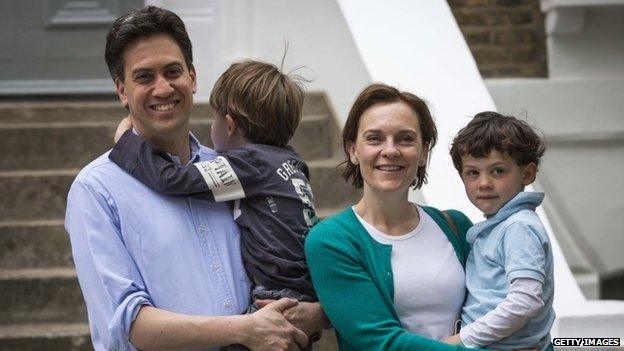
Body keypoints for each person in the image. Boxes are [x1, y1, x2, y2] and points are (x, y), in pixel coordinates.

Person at [65, 6, 323, 351]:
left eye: (173, 71)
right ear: (122, 90)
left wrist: (319, 313)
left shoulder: (233, 171)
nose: (162, 88)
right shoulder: (96, 190)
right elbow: (129, 323)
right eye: (143, 77)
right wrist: (245, 330)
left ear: (193, 76)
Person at [108, 59, 322, 348]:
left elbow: (173, 180)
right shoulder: (292, 161)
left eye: (214, 119)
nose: (212, 127)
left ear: (230, 124)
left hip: (272, 298)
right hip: (302, 290)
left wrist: (127, 143)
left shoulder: (249, 164)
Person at [305, 83, 474, 350]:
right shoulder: (331, 241)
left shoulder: (455, 226)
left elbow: (499, 306)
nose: (391, 150)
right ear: (353, 150)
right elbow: (382, 343)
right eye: (374, 138)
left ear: (424, 152)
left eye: (406, 139)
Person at [444, 112, 555, 350]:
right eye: (473, 172)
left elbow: (525, 301)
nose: (484, 183)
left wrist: (463, 339)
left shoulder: (518, 227)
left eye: (498, 171)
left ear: (527, 173)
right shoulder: (501, 226)